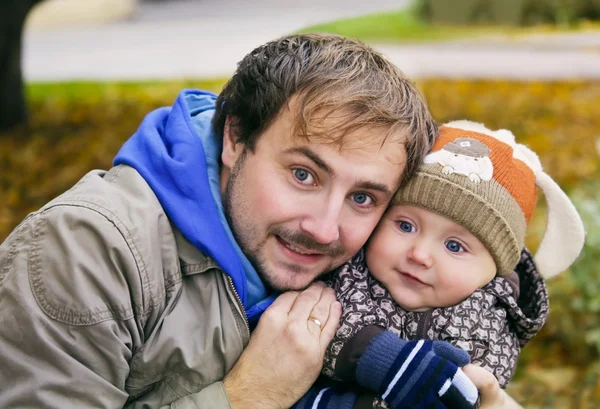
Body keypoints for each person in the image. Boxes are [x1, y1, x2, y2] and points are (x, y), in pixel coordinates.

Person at [0, 33, 447, 408]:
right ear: (235, 137)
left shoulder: (385, 262)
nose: (325, 230)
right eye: (303, 175)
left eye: (363, 197)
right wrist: (248, 396)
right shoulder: (85, 249)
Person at [293, 121, 585, 409]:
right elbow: (317, 331)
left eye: (454, 246)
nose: (419, 254)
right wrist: (384, 358)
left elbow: (472, 384)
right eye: (405, 226)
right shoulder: (347, 271)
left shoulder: (492, 319)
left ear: (495, 271)